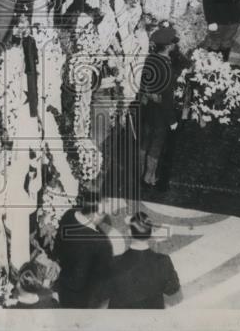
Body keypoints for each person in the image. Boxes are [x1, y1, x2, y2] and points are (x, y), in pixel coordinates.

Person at [103, 212, 180, 308]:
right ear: (151, 232)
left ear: (129, 232)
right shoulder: (163, 261)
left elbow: (103, 292)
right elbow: (172, 289)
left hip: (121, 320)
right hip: (151, 320)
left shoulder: (114, 262)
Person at [53, 191, 113, 309]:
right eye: (102, 213)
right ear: (91, 215)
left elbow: (58, 243)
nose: (105, 216)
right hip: (83, 295)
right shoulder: (101, 243)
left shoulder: (69, 214)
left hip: (63, 279)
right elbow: (103, 275)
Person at [138, 25, 179, 188]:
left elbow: (143, 83)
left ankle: (139, 172)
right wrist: (172, 120)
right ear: (168, 46)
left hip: (147, 109)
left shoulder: (149, 60)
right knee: (156, 144)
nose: (175, 45)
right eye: (173, 43)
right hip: (161, 114)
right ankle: (150, 176)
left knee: (145, 141)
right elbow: (167, 99)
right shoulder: (167, 67)